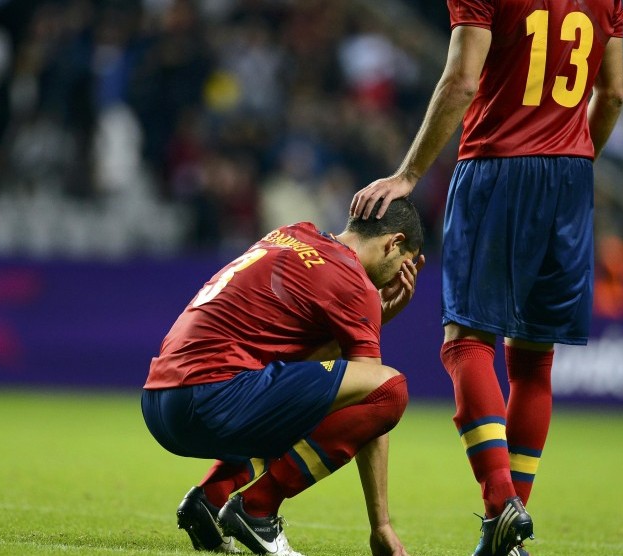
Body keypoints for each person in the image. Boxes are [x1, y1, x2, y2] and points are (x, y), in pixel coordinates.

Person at [350, 2, 623, 555]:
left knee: (467, 344)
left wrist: (409, 174)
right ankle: (506, 537)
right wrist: (575, 157)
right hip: (570, 177)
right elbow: (613, 94)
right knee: (533, 360)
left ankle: (502, 503)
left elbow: (461, 79)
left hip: (497, 165)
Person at [142, 199, 425, 556]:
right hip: (212, 398)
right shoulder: (355, 283)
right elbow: (375, 391)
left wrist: (373, 321)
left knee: (316, 396)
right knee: (391, 389)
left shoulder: (291, 234)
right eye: (404, 264)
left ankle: (211, 498)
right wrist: (381, 524)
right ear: (394, 243)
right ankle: (257, 509)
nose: (399, 277)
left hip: (160, 402)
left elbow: (299, 371)